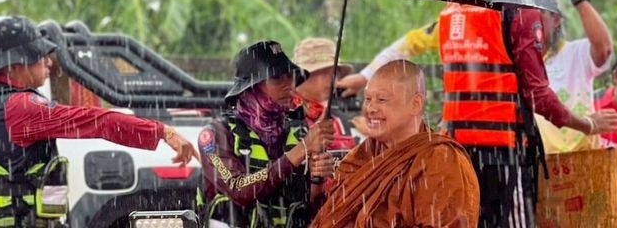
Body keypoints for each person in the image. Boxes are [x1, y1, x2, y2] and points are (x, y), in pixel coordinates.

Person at [336, 0, 617, 228]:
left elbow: (412, 42)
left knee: (467, 219)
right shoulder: (520, 9)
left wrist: (366, 74)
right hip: (500, 152)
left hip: (455, 148)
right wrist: (586, 124)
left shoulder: (456, 7)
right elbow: (537, 94)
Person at [0, 16, 197, 228]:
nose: (49, 62)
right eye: (39, 55)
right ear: (15, 63)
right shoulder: (20, 108)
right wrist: (161, 131)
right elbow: (96, 121)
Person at [312, 60, 479, 228]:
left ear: (416, 104)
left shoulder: (440, 159)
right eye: (368, 99)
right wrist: (317, 183)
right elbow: (334, 213)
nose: (370, 108)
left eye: (382, 100)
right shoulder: (363, 155)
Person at [196, 41, 335, 228]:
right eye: (277, 78)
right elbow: (239, 189)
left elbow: (308, 207)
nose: (290, 87)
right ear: (251, 87)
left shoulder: (299, 132)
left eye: (290, 77)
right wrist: (302, 150)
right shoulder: (214, 135)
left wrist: (317, 179)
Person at [535, 0, 614, 153]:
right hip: (537, 165)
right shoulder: (521, 58)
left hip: (582, 162)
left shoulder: (575, 53)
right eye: (529, 12)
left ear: (556, 20)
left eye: (541, 12)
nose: (534, 19)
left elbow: (604, 48)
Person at [291, 37, 357, 151]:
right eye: (327, 73)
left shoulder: (339, 119)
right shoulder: (278, 117)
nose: (334, 81)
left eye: (335, 73)